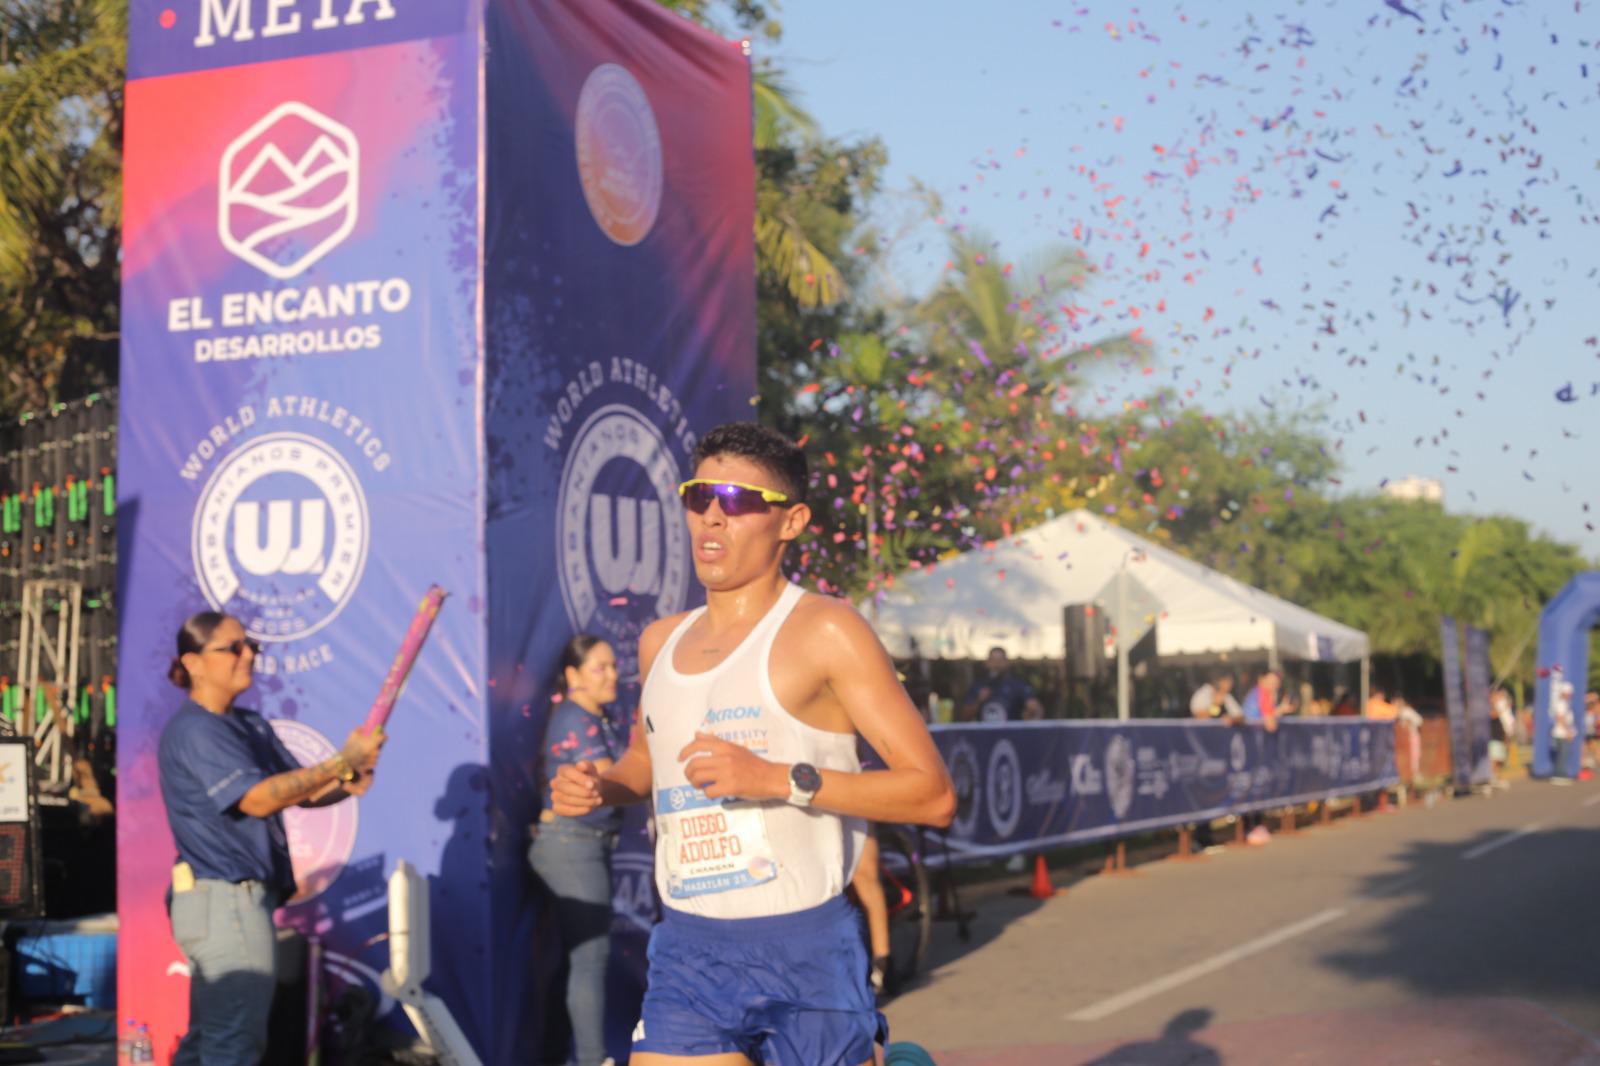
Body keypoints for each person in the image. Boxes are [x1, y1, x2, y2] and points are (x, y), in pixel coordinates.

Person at [551, 422, 955, 1066]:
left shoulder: (826, 630)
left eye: (738, 502)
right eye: (699, 496)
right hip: (690, 948)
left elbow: (932, 795)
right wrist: (601, 786)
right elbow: (642, 766)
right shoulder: (659, 642)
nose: (713, 516)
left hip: (805, 947)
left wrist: (778, 779)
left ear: (790, 521)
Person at [158, 612, 385, 1066]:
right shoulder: (197, 730)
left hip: (229, 903)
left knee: (211, 1041)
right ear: (194, 662)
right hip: (224, 902)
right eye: (233, 648)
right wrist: (340, 760)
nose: (249, 656)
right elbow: (259, 799)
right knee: (232, 1045)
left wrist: (349, 774)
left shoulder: (247, 725)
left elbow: (302, 790)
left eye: (251, 647)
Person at [530, 635, 625, 1066]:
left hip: (584, 843)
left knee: (577, 961)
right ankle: (593, 1060)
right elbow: (609, 781)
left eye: (612, 666)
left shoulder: (599, 717)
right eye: (599, 667)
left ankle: (557, 1056)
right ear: (573, 676)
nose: (612, 675)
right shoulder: (574, 717)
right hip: (571, 843)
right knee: (590, 958)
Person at [959, 646, 1044, 722]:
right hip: (985, 736)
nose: (997, 664)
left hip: (1011, 736)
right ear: (987, 663)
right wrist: (979, 700)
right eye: (993, 660)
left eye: (1000, 660)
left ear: (1007, 663)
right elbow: (965, 717)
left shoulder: (1017, 685)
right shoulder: (978, 686)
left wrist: (1031, 713)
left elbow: (1035, 709)